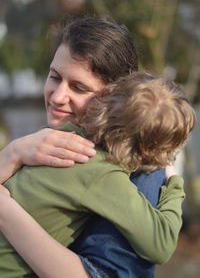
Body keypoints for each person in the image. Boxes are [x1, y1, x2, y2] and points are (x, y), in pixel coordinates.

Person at [0, 16, 193, 278]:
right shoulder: (49, 143)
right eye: (54, 76)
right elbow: (162, 243)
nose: (57, 97)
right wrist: (13, 152)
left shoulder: (135, 178)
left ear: (112, 96)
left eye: (78, 87)